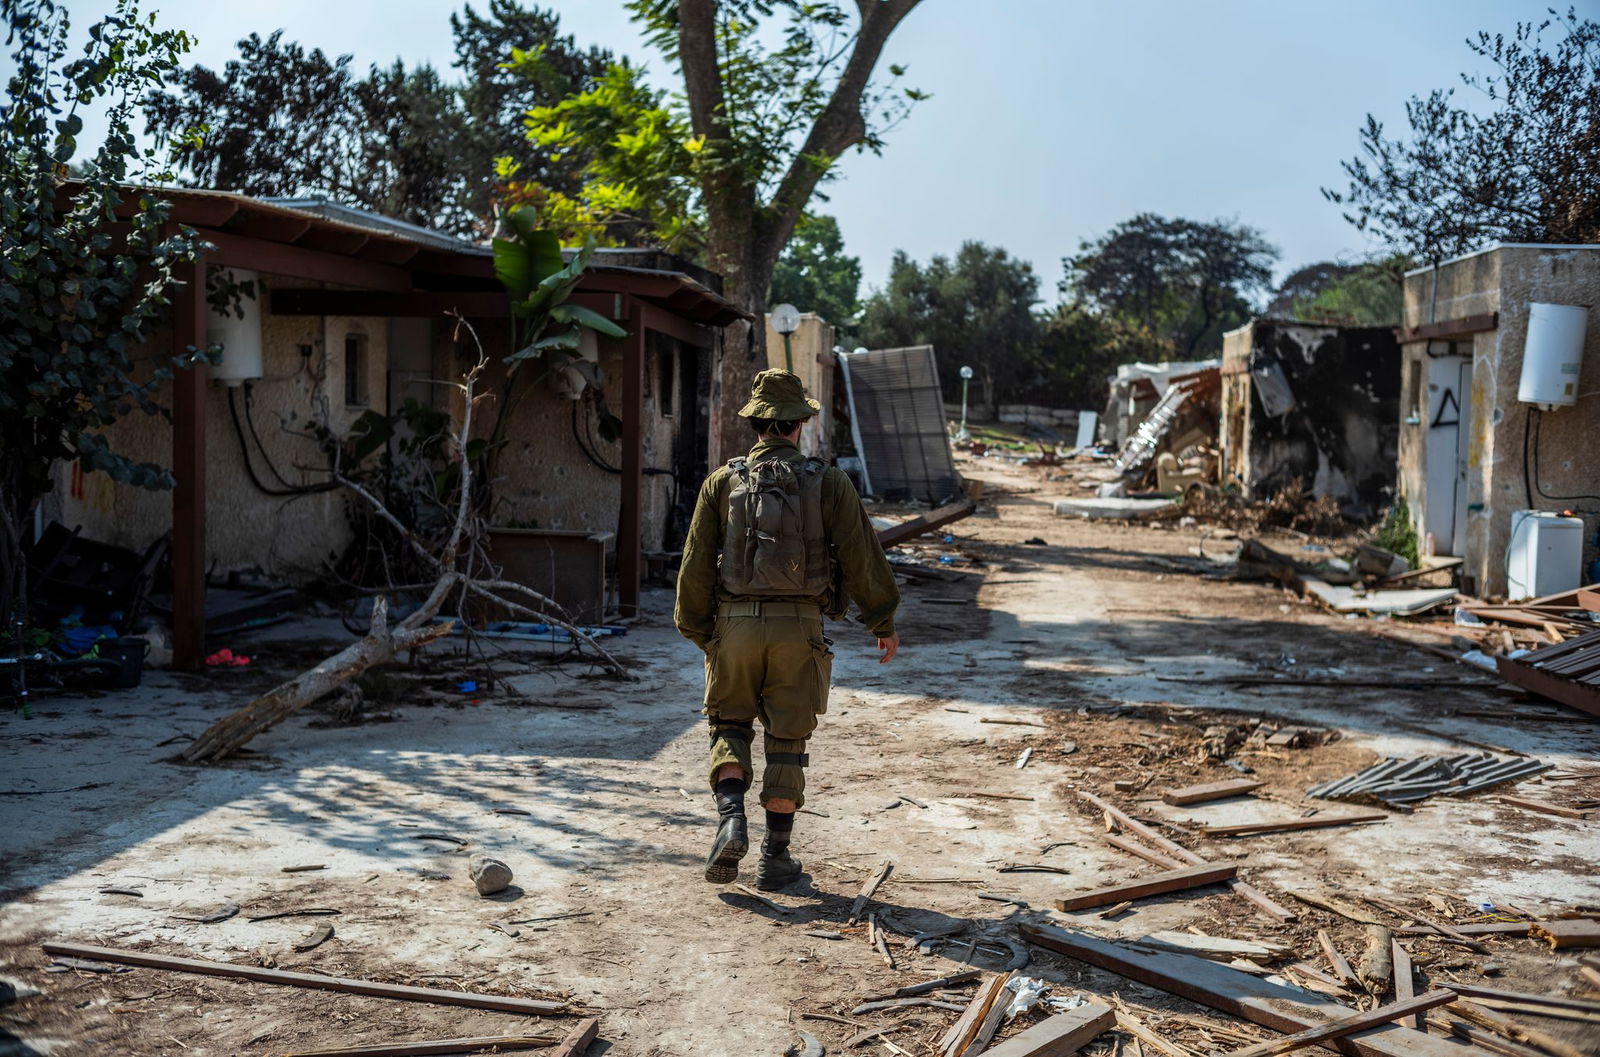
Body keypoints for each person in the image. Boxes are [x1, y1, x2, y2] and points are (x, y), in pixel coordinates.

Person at [675, 369, 901, 890]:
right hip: (800, 632)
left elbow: (695, 566)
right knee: (787, 742)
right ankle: (775, 859)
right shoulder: (829, 481)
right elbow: (862, 554)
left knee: (728, 728)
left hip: (732, 629)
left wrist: (702, 632)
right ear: (800, 423)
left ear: (756, 423)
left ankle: (731, 820)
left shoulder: (722, 481)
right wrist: (881, 620)